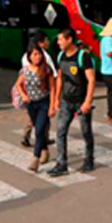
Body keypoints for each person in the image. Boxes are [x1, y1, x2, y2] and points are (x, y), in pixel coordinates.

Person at [50, 29, 97, 177]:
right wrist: (57, 98)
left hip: (81, 102)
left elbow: (91, 80)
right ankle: (61, 164)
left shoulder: (83, 56)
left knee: (85, 132)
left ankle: (89, 159)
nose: (58, 43)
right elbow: (60, 78)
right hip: (66, 101)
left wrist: (88, 101)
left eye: (60, 40)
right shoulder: (60, 56)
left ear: (69, 39)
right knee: (60, 131)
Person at [17, 44, 57, 172]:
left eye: (39, 54)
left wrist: (52, 106)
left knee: (39, 130)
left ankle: (36, 158)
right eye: (35, 54)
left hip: (44, 103)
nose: (38, 57)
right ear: (29, 56)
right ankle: (44, 148)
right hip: (31, 104)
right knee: (38, 129)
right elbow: (18, 84)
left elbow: (53, 89)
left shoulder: (46, 70)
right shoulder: (25, 70)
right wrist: (23, 95)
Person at [21, 30, 58, 148]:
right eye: (46, 40)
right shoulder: (44, 57)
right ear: (40, 43)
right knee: (39, 122)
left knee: (38, 121)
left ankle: (35, 141)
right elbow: (54, 76)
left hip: (36, 96)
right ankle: (41, 142)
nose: (48, 42)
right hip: (36, 97)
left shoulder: (29, 56)